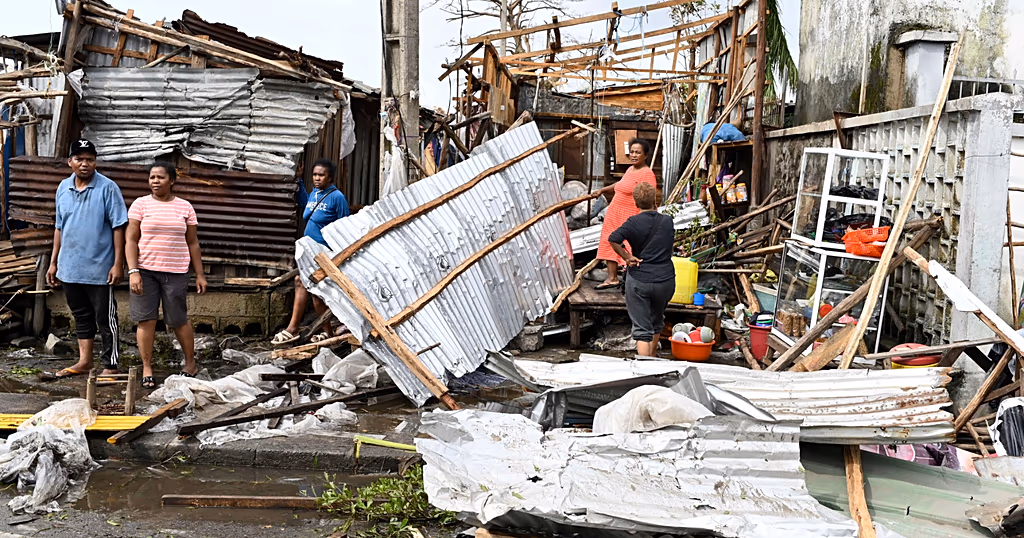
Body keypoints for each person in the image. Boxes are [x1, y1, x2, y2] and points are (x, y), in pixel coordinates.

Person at [44, 139, 128, 379]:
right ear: (70, 162)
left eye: (90, 159)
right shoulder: (63, 187)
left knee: (105, 317)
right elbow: (60, 227)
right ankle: (84, 361)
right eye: (79, 159)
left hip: (100, 268)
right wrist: (54, 262)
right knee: (81, 315)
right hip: (70, 266)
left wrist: (117, 263)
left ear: (95, 162)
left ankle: (110, 366)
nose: (85, 163)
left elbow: (119, 227)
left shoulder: (108, 188)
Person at [125, 162, 207, 388]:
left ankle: (190, 363)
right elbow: (131, 239)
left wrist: (199, 274)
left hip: (177, 272)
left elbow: (192, 242)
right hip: (145, 271)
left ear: (172, 180)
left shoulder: (185, 207)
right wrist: (133, 271)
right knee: (146, 320)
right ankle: (147, 368)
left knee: (178, 320)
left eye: (160, 177)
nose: (155, 181)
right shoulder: (140, 205)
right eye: (152, 177)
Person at [272, 159, 350, 345]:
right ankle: (326, 331)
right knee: (310, 288)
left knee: (306, 285)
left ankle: (294, 329)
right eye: (314, 174)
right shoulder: (315, 193)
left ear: (330, 177)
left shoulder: (337, 197)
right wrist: (298, 181)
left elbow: (345, 226)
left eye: (321, 175)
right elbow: (306, 206)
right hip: (309, 252)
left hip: (324, 253)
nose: (316, 178)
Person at [608, 182, 676, 357]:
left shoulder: (633, 223)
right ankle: (652, 360)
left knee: (642, 329)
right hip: (665, 280)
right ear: (655, 200)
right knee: (656, 320)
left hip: (639, 280)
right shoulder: (667, 221)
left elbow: (613, 239)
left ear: (635, 203)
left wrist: (627, 257)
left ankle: (644, 370)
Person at [595, 138, 658, 290]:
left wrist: (648, 218)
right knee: (609, 241)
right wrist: (603, 190)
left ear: (646, 155)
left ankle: (631, 280)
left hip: (630, 215)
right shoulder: (630, 170)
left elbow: (649, 197)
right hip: (614, 212)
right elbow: (621, 184)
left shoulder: (647, 174)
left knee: (629, 246)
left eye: (638, 152)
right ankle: (612, 278)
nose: (634, 155)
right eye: (632, 152)